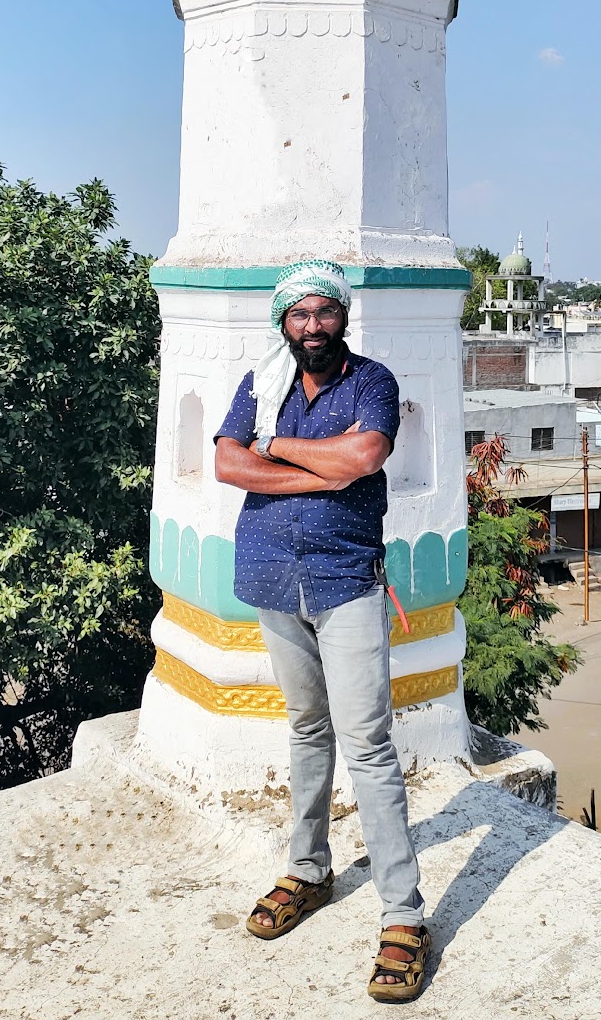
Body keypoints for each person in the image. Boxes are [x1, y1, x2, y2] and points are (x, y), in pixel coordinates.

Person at [214, 259, 430, 1004]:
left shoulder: (371, 382)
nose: (312, 326)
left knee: (367, 744)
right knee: (307, 729)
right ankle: (308, 870)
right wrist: (321, 468)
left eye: (324, 312)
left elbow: (364, 455)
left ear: (343, 316)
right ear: (283, 322)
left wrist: (273, 447)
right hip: (273, 575)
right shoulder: (260, 383)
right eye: (299, 314)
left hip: (346, 581)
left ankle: (403, 916)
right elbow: (227, 464)